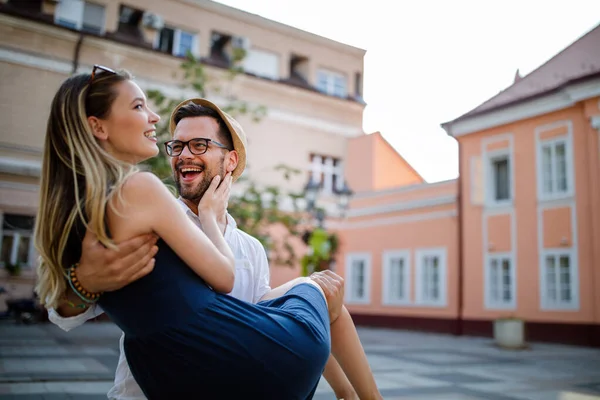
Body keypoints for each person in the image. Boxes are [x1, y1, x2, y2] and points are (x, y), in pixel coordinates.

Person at [35, 65, 382, 399]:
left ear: (230, 161)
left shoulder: (250, 248)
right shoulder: (141, 209)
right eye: (178, 145)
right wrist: (84, 283)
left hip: (238, 383)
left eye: (199, 145)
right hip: (147, 391)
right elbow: (62, 315)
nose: (184, 154)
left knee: (322, 287)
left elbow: (258, 317)